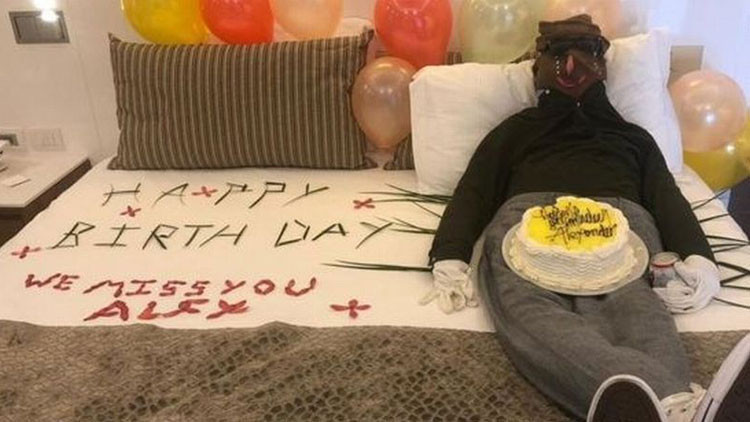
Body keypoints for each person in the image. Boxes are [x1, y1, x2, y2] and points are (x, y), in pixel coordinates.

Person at [420, 15, 750, 422]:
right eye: (559, 54)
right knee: (530, 308)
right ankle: (678, 405)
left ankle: (653, 407)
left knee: (635, 308)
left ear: (603, 69)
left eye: (584, 53)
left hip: (621, 225)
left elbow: (666, 197)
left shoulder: (634, 138)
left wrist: (699, 257)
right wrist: (450, 252)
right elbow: (475, 191)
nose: (572, 65)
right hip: (529, 221)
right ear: (538, 68)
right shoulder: (513, 131)